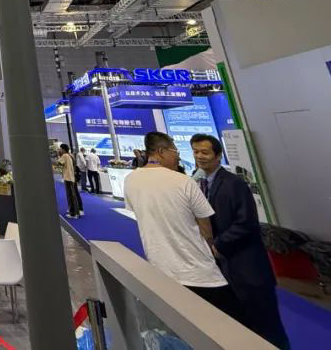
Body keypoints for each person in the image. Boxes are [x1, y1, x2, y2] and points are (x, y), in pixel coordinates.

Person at [191, 134, 290, 349]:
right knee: (239, 325)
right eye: (196, 152)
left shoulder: (233, 184)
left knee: (266, 326)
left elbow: (246, 223)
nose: (199, 156)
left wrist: (219, 245)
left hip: (248, 269)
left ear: (218, 155)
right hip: (223, 269)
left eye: (205, 152)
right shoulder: (198, 183)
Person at [124, 131, 238, 317]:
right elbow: (206, 229)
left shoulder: (130, 180)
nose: (178, 156)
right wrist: (212, 247)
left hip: (161, 269)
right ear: (161, 152)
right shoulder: (183, 181)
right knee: (225, 323)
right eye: (175, 151)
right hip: (200, 273)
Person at [58, 144, 83, 218]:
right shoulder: (70, 155)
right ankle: (78, 210)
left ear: (63, 149)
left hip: (68, 178)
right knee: (74, 195)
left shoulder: (65, 155)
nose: (59, 150)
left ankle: (73, 213)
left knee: (71, 196)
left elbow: (58, 163)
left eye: (60, 149)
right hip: (72, 177)